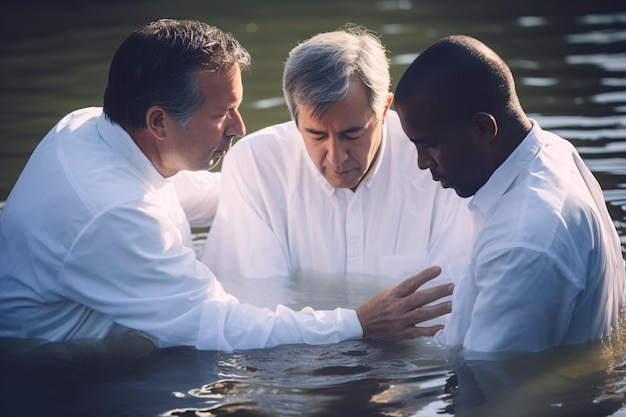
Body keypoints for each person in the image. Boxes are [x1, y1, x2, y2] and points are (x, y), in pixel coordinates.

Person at [0, 19, 455, 352]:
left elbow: (186, 196)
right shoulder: (114, 216)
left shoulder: (87, 128)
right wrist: (357, 323)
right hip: (57, 370)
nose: (240, 127)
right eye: (222, 114)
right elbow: (217, 326)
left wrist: (269, 190)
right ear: (158, 121)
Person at [394, 35, 626, 359]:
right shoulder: (553, 151)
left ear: (483, 128)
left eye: (430, 144)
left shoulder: (522, 242)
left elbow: (494, 387)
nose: (421, 162)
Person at [201, 28, 471, 306]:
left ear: (384, 110)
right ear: (294, 119)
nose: (336, 157)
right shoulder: (256, 165)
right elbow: (254, 300)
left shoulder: (437, 163)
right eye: (316, 135)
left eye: (351, 134)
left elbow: (451, 296)